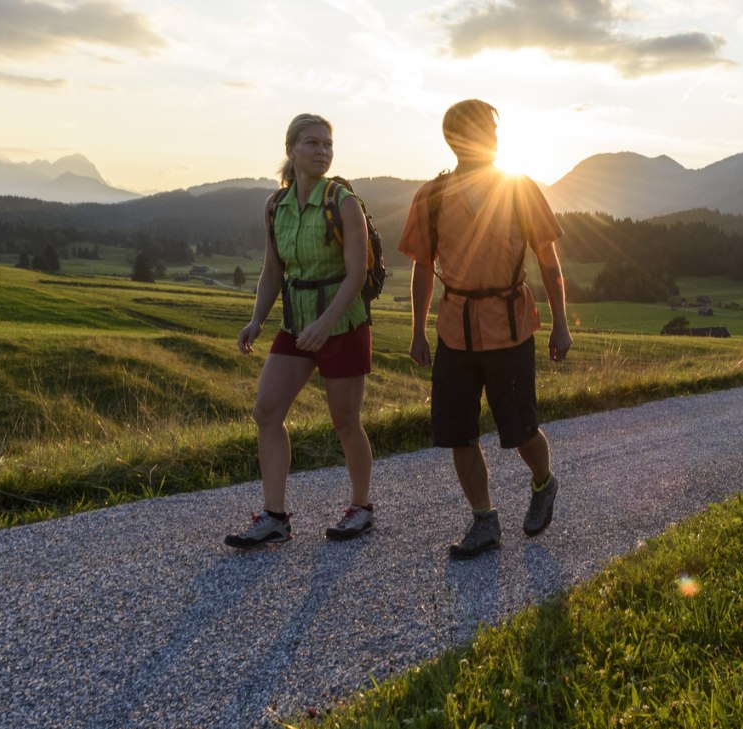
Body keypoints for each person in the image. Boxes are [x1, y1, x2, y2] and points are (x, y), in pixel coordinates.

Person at [400, 99, 572, 559]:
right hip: (455, 329)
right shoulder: (432, 197)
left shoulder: (520, 189)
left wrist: (561, 325)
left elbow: (548, 261)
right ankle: (484, 520)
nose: (488, 139)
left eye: (491, 132)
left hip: (510, 327)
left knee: (519, 429)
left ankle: (544, 482)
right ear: (453, 139)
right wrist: (418, 330)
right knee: (458, 432)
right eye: (477, 132)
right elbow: (421, 267)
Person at [226, 113, 377, 548]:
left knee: (346, 421)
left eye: (328, 144)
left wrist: (326, 324)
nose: (322, 151)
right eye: (312, 143)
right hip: (296, 325)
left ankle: (361, 508)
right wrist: (257, 320)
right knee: (266, 411)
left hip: (342, 324)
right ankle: (275, 516)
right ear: (291, 151)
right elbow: (272, 271)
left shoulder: (343, 202)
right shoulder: (276, 206)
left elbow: (357, 274)